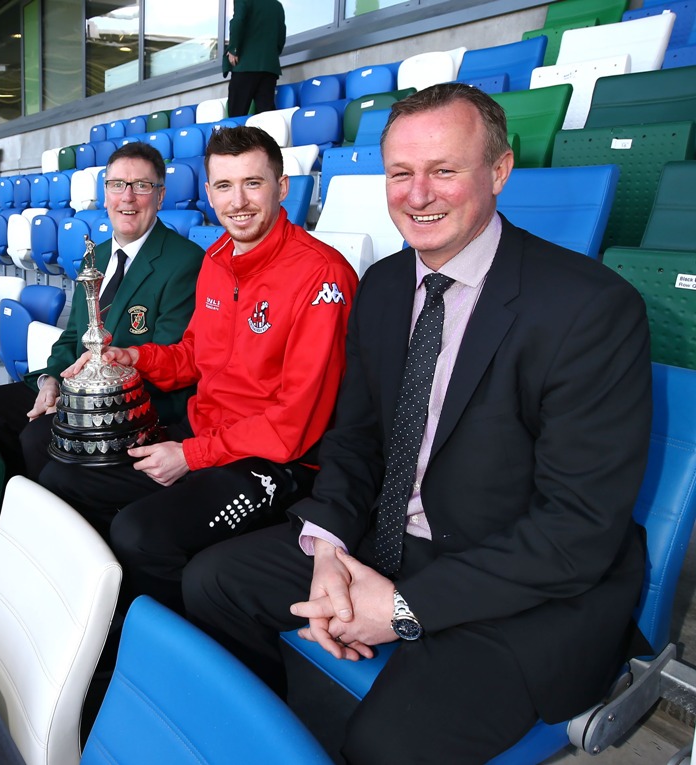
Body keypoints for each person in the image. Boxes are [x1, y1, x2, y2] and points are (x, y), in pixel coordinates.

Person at [183, 83, 652, 763]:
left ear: (499, 171)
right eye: (401, 173)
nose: (418, 193)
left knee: (384, 744)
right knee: (212, 582)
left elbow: (575, 530)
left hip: (520, 583)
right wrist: (329, 551)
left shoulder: (589, 309)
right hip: (389, 540)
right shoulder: (381, 287)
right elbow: (355, 441)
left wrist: (401, 607)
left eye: (445, 170)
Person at [39, 125, 358, 615]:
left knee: (139, 534)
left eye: (253, 183)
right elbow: (192, 355)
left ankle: (177, 651)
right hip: (205, 436)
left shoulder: (322, 275)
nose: (239, 201)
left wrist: (191, 455)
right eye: (224, 187)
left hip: (274, 464)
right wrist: (134, 357)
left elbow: (293, 423)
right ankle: (102, 620)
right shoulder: (216, 259)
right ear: (208, 193)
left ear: (282, 185)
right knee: (64, 479)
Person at [0, 142, 202, 480]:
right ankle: (17, 505)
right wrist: (51, 381)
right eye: (117, 185)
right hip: (77, 387)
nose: (128, 196)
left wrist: (71, 399)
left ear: (160, 196)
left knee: (37, 436)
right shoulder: (95, 255)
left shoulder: (184, 261)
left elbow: (168, 362)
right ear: (105, 194)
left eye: (142, 185)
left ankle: (63, 515)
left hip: (128, 401)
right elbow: (74, 336)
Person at [224, 0, 286, 117]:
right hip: (269, 68)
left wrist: (233, 49)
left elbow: (238, 21)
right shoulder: (276, 5)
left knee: (237, 115)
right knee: (267, 116)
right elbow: (281, 35)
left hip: (245, 66)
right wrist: (271, 55)